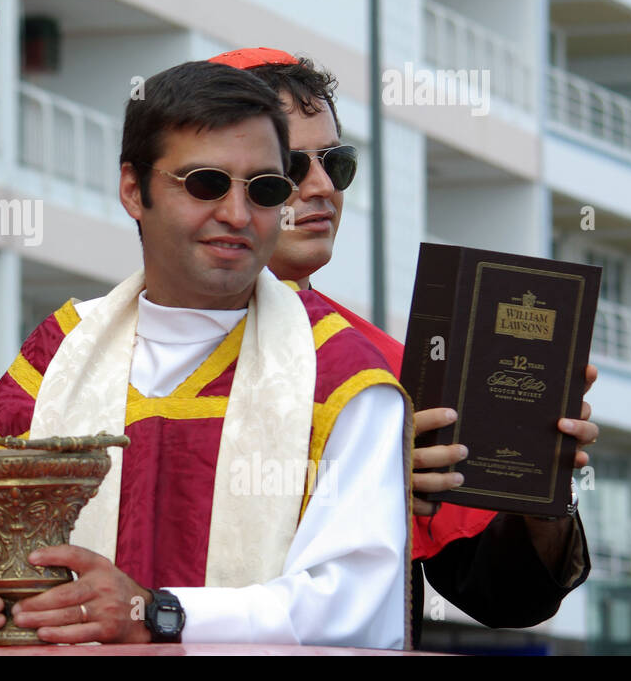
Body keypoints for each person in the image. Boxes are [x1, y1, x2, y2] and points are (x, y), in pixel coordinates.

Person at [0, 61, 412, 649]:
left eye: (264, 189)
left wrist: (160, 614)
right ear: (133, 189)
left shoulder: (342, 375)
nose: (236, 214)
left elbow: (357, 600)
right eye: (205, 184)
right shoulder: (57, 353)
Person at [222, 46, 594, 640]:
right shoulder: (98, 352)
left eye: (336, 164)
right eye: (292, 166)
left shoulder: (391, 369)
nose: (321, 187)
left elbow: (510, 594)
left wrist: (542, 480)